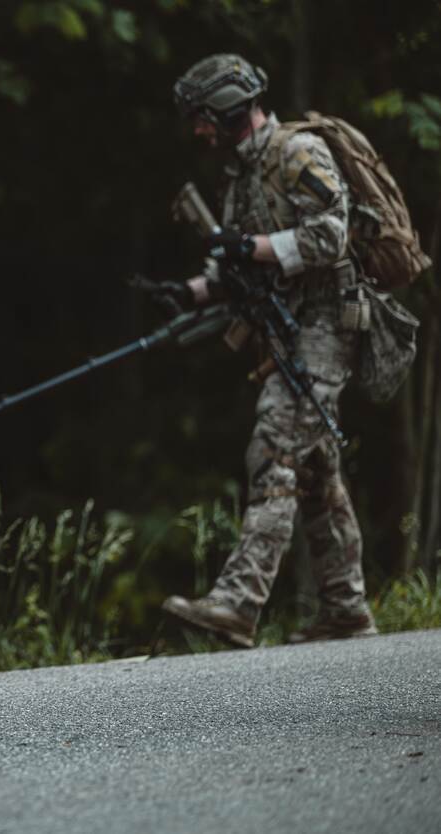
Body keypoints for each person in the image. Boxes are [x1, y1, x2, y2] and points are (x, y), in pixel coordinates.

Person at [156, 54, 376, 648]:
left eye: (203, 116)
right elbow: (238, 263)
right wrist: (193, 291)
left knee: (274, 446)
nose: (198, 129)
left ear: (228, 109)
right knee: (316, 471)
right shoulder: (239, 175)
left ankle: (238, 602)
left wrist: (252, 245)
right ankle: (346, 608)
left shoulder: (296, 152)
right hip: (288, 331)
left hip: (328, 324)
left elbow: (333, 233)